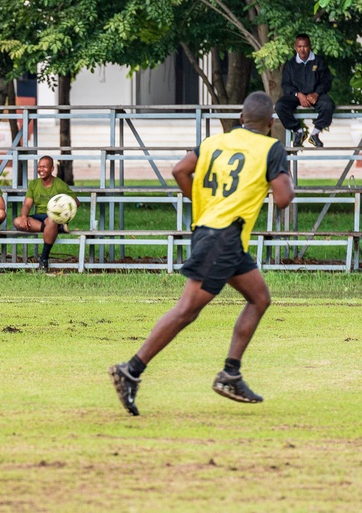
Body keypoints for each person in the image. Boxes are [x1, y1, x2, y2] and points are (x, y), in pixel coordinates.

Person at [108, 92, 295, 415]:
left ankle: (230, 373)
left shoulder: (212, 143)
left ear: (240, 118)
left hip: (217, 233)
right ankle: (131, 370)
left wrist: (202, 204)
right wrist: (284, 177)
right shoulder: (271, 148)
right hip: (223, 237)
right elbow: (283, 198)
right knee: (186, 310)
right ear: (270, 124)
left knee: (259, 298)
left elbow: (181, 170)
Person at [13, 156, 79, 270]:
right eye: (39, 166)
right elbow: (27, 204)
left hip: (53, 217)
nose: (40, 169)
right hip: (38, 217)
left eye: (44, 167)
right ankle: (55, 229)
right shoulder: (34, 184)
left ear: (52, 168)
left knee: (51, 221)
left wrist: (62, 209)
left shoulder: (59, 184)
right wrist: (24, 216)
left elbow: (76, 202)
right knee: (17, 221)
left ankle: (43, 259)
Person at [275, 33, 335, 148]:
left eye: (305, 46)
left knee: (328, 105)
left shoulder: (319, 61)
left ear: (310, 46)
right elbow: (286, 84)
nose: (302, 49)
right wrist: (298, 94)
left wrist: (316, 93)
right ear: (295, 47)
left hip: (316, 94)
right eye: (299, 46)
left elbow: (326, 81)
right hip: (296, 95)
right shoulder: (291, 64)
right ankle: (298, 131)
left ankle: (315, 134)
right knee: (280, 106)